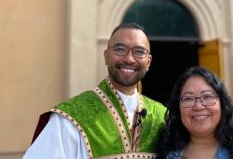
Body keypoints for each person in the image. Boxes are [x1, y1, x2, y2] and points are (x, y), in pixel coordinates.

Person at [23, 22, 166, 158]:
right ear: (106, 56)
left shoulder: (162, 117)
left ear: (149, 61)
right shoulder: (71, 116)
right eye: (120, 49)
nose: (129, 58)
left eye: (139, 51)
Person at [158, 67, 233, 159]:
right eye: (188, 98)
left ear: (222, 104)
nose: (198, 106)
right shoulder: (165, 152)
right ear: (178, 107)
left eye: (207, 96)